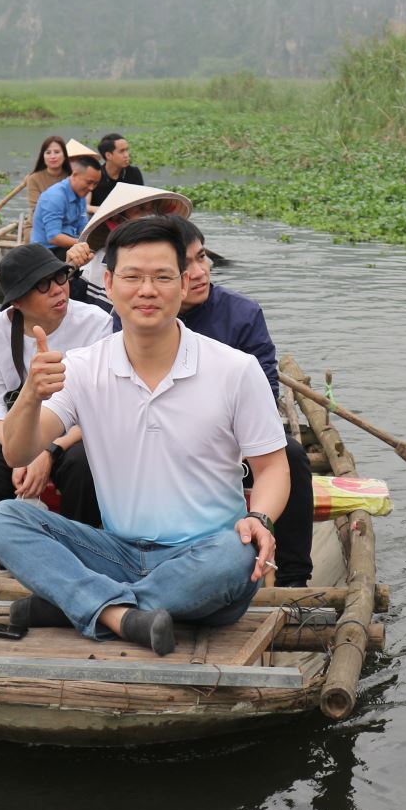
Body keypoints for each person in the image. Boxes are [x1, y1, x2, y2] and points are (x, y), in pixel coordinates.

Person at [0, 218, 290, 656]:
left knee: (237, 555)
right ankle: (122, 616)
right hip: (117, 553)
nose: (147, 290)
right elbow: (16, 451)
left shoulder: (236, 370)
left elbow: (272, 466)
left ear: (184, 284)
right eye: (132, 277)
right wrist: (30, 394)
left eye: (162, 277)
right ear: (108, 283)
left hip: (204, 556)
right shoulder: (83, 366)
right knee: (4, 520)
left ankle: (81, 603)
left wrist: (259, 519)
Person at [110, 214, 316, 587]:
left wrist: (220, 435)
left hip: (233, 438)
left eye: (202, 257)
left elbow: (265, 392)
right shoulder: (134, 315)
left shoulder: (242, 314)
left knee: (293, 459)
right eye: (186, 264)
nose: (200, 271)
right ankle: (109, 554)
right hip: (154, 438)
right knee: (81, 460)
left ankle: (294, 577)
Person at [0, 245, 112, 527]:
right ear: (17, 302)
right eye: (42, 285)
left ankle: (83, 540)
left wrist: (48, 450)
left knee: (85, 466)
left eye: (60, 278)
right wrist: (23, 452)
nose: (57, 290)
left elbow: (100, 406)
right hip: (13, 429)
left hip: (75, 432)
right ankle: (7, 544)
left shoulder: (96, 323)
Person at [75, 182, 192, 299]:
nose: (150, 216)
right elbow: (74, 300)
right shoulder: (98, 260)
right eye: (141, 209)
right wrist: (71, 269)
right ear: (118, 220)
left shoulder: (171, 260)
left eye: (154, 210)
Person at [31, 139, 104, 304]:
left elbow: (82, 227)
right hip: (47, 250)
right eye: (89, 182)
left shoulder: (80, 195)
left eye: (95, 184)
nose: (92, 188)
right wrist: (82, 244)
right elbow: (54, 237)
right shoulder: (55, 196)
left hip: (67, 245)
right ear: (75, 175)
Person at [91, 132, 144, 208]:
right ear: (108, 155)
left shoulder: (134, 173)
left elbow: (141, 202)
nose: (126, 155)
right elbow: (85, 206)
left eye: (127, 150)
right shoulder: (96, 176)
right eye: (121, 151)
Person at [23, 135, 69, 218]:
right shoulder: (34, 179)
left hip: (67, 224)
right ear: (43, 157)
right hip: (38, 225)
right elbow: (36, 209)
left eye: (57, 152)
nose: (52, 157)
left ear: (64, 155)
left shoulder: (71, 178)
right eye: (48, 153)